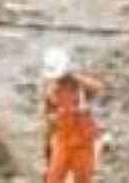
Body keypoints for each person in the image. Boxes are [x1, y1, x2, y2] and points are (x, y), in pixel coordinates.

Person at [41, 48, 104, 183]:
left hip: (82, 143)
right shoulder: (51, 90)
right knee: (53, 178)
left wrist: (76, 78)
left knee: (82, 178)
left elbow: (97, 88)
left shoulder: (80, 86)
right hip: (62, 141)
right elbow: (47, 116)